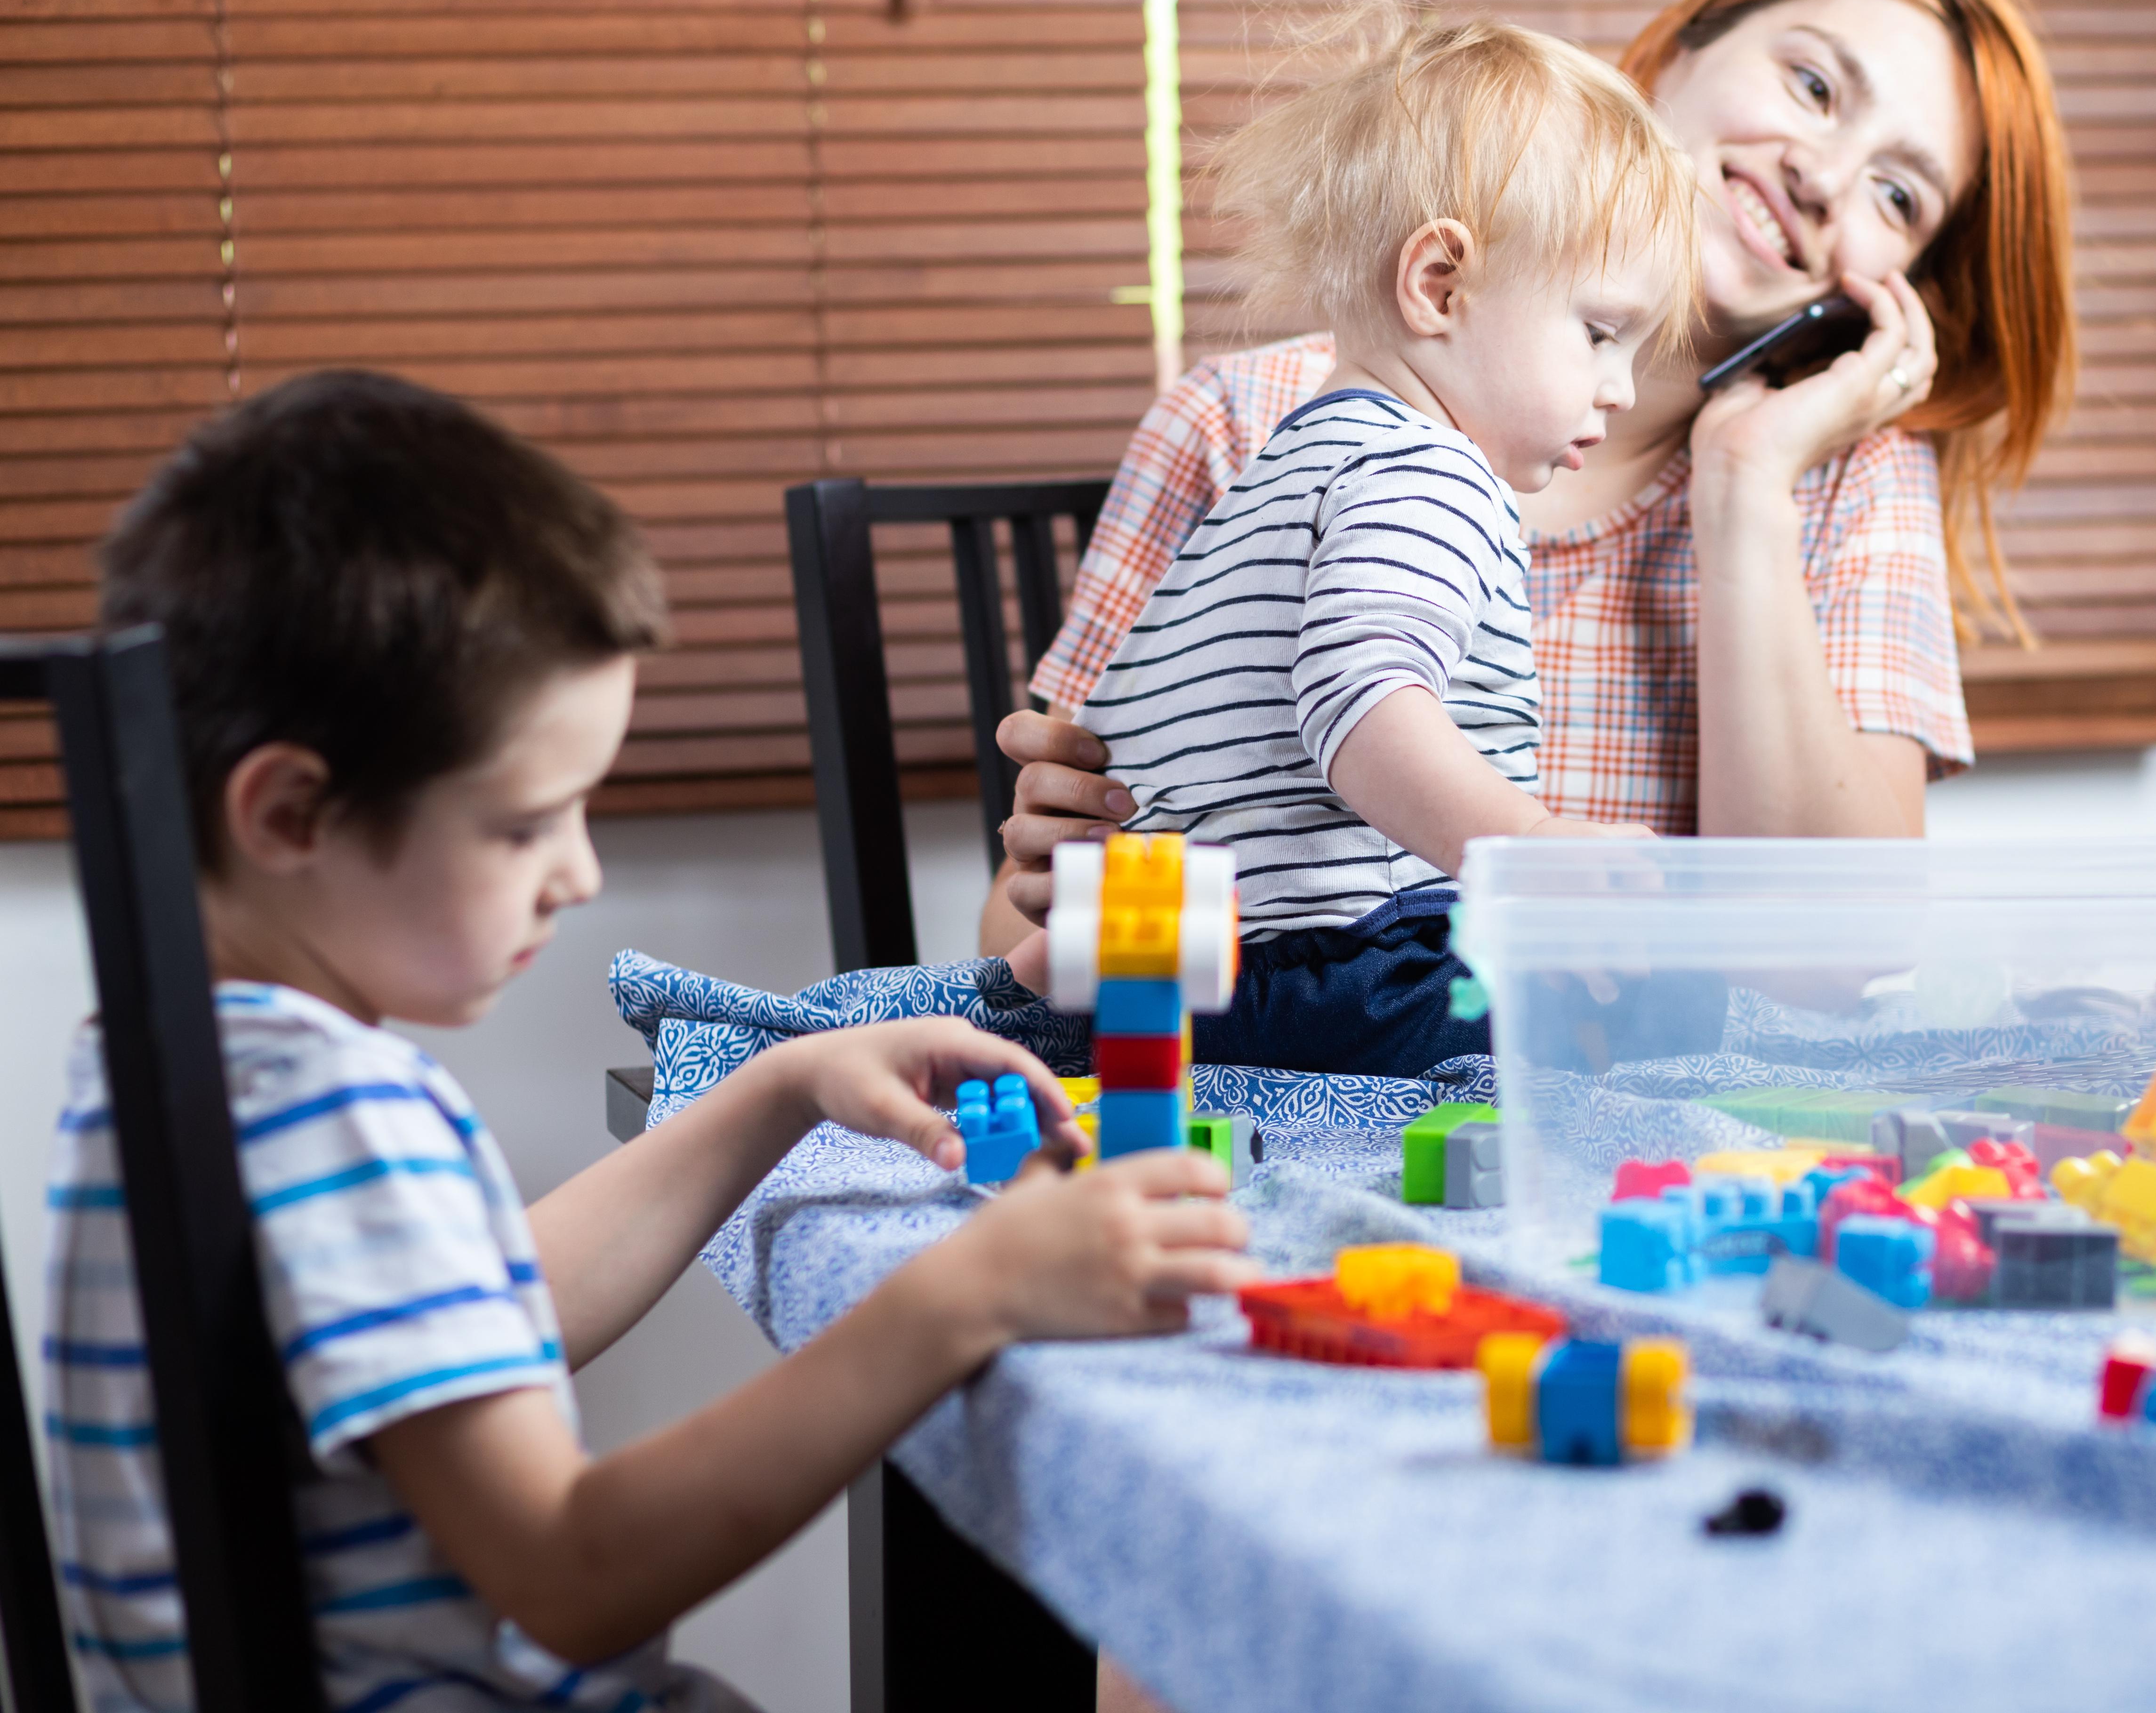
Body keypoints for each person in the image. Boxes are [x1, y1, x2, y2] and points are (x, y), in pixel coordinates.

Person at [47, 371, 1260, 1713]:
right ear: (288, 816)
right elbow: (573, 1569)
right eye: (526, 824)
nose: (577, 876)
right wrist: (958, 1296)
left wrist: (781, 1088)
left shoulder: (186, 1070)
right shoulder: (337, 1109)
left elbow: (504, 1312)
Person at [988, 0, 2077, 1006]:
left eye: (1899, 197)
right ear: (1678, 55)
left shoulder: (1843, 476)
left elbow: (1832, 956)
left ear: (1893, 291)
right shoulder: (1237, 425)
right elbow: (1020, 937)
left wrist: (1744, 484)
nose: (1827, 175)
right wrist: (1069, 868)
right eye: (1812, 84)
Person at [1005, 11, 1690, 1075]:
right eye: (1601, 332)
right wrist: (1532, 853)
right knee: (1669, 1009)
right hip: (1338, 977)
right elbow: (1363, 708)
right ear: (1440, 287)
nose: (1622, 385)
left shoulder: (1279, 474)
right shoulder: (1429, 470)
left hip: (1167, 972)